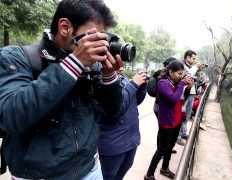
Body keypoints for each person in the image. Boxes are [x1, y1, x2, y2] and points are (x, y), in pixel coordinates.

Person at [0, 0, 124, 179]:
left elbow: (113, 112)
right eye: (93, 38)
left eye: (102, 39)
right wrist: (74, 64)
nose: (99, 45)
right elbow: (9, 116)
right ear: (65, 27)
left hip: (90, 169)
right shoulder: (17, 57)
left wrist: (109, 75)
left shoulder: (93, 65)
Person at [144, 60, 192, 180]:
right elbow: (173, 99)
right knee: (161, 149)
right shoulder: (163, 83)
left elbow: (181, 98)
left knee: (170, 147)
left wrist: (188, 88)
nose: (181, 76)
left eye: (183, 74)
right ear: (170, 72)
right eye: (179, 74)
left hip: (176, 121)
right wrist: (182, 85)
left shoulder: (177, 83)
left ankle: (165, 168)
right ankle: (149, 175)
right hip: (166, 123)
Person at [98, 70, 148, 180]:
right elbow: (116, 109)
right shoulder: (99, 79)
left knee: (122, 173)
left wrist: (142, 86)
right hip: (114, 144)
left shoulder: (121, 77)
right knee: (109, 176)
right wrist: (133, 84)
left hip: (131, 139)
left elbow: (135, 100)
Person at [177, 50, 205, 145]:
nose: (194, 60)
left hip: (192, 92)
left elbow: (199, 79)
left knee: (187, 115)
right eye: (193, 58)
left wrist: (199, 70)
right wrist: (195, 68)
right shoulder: (180, 65)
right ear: (187, 57)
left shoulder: (192, 67)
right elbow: (187, 75)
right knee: (181, 114)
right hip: (183, 94)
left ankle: (184, 133)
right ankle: (178, 136)